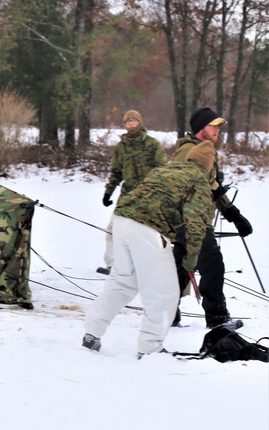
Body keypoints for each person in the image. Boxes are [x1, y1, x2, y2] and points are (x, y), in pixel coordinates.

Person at [82, 141, 215, 358]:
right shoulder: (198, 180)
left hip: (122, 220)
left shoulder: (167, 168)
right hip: (148, 229)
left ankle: (91, 333)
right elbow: (196, 221)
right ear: (208, 165)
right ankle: (150, 348)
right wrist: (191, 258)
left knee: (123, 281)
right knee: (164, 293)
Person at [169, 107, 253, 329]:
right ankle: (217, 318)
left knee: (179, 270)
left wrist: (234, 215)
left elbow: (213, 187)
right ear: (200, 129)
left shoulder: (205, 151)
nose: (217, 130)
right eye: (213, 126)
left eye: (218, 126)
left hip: (195, 220)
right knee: (213, 265)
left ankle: (166, 313)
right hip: (191, 220)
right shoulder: (187, 152)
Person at [98, 110, 168, 274]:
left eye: (134, 120)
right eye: (127, 121)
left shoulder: (152, 144)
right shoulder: (122, 147)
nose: (131, 124)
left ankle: (153, 265)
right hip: (127, 195)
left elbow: (163, 171)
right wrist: (108, 192)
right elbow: (116, 171)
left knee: (149, 233)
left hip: (149, 196)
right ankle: (112, 264)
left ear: (140, 122)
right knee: (114, 228)